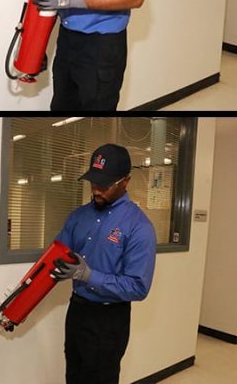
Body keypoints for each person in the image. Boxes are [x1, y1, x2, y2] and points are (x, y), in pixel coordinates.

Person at [52, 144, 156, 384]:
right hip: (77, 312)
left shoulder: (139, 227)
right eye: (93, 183)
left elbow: (138, 287)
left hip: (109, 320)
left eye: (104, 185)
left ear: (125, 181)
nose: (96, 190)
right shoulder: (78, 216)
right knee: (74, 373)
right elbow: (59, 254)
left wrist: (89, 275)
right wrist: (55, 269)